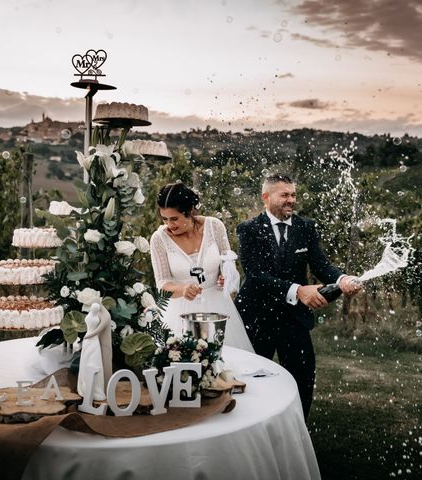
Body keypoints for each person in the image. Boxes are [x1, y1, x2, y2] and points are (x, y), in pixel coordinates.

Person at [236, 174, 361, 419]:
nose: (291, 200)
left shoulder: (306, 227)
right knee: (253, 381)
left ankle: (297, 430)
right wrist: (298, 290)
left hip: (294, 319)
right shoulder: (248, 229)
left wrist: (342, 279)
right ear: (266, 197)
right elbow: (255, 275)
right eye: (284, 195)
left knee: (302, 379)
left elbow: (321, 265)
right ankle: (254, 430)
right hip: (257, 317)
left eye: (293, 194)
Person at [150, 182, 254, 352]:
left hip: (218, 307)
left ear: (190, 211)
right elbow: (162, 284)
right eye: (165, 219)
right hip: (180, 314)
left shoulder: (215, 226)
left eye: (175, 218)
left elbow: (228, 263)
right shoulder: (158, 239)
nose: (170, 224)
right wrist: (182, 289)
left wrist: (224, 276)